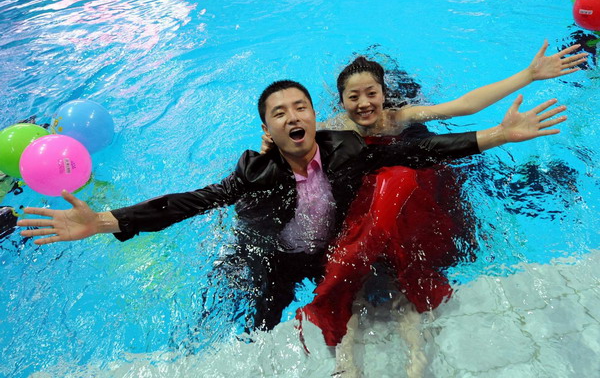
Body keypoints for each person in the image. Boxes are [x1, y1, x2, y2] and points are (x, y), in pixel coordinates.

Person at [18, 79, 565, 337]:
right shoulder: (254, 171)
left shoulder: (346, 149)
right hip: (274, 254)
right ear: (269, 131)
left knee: (386, 292)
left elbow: (416, 149)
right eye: (280, 112)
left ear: (315, 117)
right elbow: (192, 201)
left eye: (300, 106)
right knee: (254, 321)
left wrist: (495, 134)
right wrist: (106, 221)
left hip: (330, 247)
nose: (293, 115)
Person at [293, 42, 585, 373]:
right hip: (367, 201)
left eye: (371, 93)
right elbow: (291, 150)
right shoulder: (333, 129)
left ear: (384, 93)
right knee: (350, 281)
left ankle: (417, 363)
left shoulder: (398, 118)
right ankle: (347, 367)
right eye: (354, 97)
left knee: (406, 275)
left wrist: (528, 75)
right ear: (342, 101)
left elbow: (464, 106)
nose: (364, 104)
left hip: (404, 195)